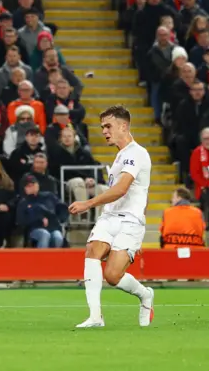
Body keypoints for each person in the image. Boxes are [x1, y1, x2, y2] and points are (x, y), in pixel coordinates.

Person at [69, 105, 155, 328]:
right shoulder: (119, 157)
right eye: (102, 127)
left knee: (113, 276)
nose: (104, 131)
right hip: (109, 217)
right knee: (92, 250)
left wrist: (87, 203)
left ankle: (145, 295)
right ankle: (95, 317)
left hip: (130, 220)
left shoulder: (136, 153)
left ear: (123, 126)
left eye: (108, 126)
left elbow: (121, 189)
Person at [16, 173, 68, 248]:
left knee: (58, 237)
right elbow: (20, 221)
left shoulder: (49, 196)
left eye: (33, 184)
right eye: (28, 186)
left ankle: (56, 259)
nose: (32, 187)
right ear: (25, 189)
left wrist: (60, 219)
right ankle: (42, 259)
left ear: (38, 185)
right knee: (44, 234)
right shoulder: (23, 202)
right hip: (34, 229)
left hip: (53, 227)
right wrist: (39, 219)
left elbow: (62, 208)